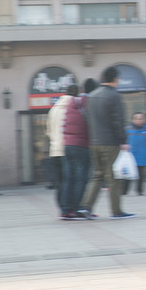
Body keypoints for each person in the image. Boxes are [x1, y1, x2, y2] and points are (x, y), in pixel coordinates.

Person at [80, 66, 135, 219]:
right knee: (113, 177)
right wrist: (123, 140)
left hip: (94, 142)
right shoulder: (114, 96)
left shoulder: (92, 96)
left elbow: (87, 118)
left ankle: (86, 206)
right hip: (110, 142)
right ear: (116, 79)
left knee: (97, 175)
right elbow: (117, 121)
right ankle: (116, 211)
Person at [59, 84, 91, 220]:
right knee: (80, 179)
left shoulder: (69, 105)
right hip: (81, 145)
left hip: (68, 145)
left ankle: (66, 210)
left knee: (68, 179)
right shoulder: (87, 103)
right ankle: (77, 209)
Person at [45, 89, 72, 201]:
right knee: (68, 181)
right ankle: (67, 208)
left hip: (54, 151)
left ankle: (62, 208)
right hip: (66, 149)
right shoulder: (70, 109)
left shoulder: (53, 110)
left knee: (59, 182)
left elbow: (48, 131)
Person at [124, 112, 146, 195]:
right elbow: (123, 141)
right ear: (133, 120)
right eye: (137, 118)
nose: (139, 120)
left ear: (144, 120)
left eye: (141, 118)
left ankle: (139, 190)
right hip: (129, 156)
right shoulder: (127, 129)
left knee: (141, 175)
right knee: (127, 175)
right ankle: (124, 190)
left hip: (142, 155)